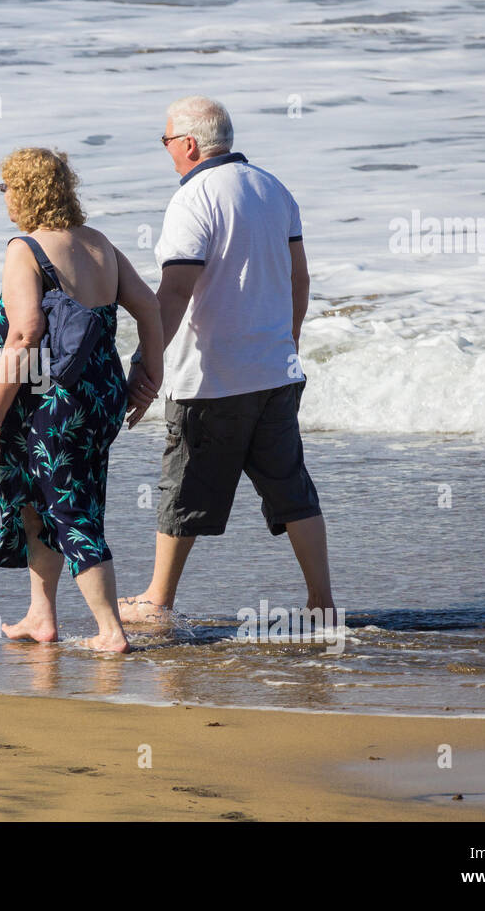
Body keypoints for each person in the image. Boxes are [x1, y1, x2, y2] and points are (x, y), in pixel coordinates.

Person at [120, 96, 336, 623]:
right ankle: (322, 602)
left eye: (167, 140)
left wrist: (147, 366)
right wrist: (290, 340)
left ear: (189, 143)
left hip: (211, 378)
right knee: (291, 488)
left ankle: (157, 599)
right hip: (275, 371)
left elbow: (173, 293)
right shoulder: (272, 187)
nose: (167, 150)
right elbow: (298, 277)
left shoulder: (194, 198)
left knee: (184, 488)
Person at [0, 147, 165, 653]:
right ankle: (41, 616)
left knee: (71, 511)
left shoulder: (25, 249)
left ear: (25, 190)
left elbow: (24, 334)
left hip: (51, 403)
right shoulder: (99, 245)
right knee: (41, 503)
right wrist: (149, 374)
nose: (4, 196)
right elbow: (149, 308)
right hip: (100, 398)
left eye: (6, 186)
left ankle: (111, 632)